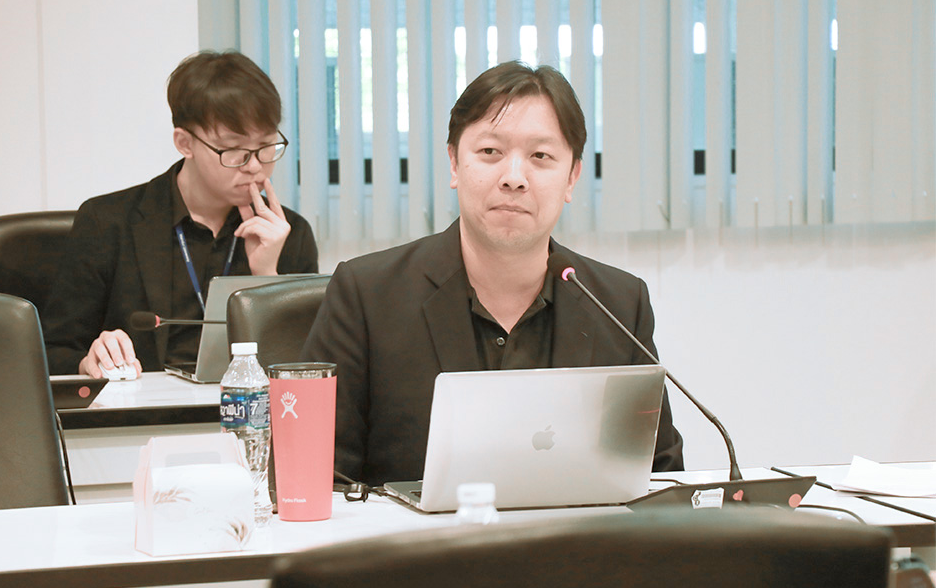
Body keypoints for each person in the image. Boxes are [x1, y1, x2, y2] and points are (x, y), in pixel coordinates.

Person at [302, 60, 683, 486]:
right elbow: (316, 478)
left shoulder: (618, 304)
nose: (514, 178)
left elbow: (660, 477)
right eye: (490, 153)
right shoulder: (367, 296)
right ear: (454, 163)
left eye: (540, 156)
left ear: (572, 177)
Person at [42, 50, 318, 378]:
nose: (255, 166)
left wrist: (267, 279)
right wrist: (90, 359)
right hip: (143, 403)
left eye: (266, 146)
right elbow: (52, 350)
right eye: (234, 151)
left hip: (248, 404)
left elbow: (307, 363)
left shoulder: (289, 232)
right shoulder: (108, 222)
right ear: (185, 143)